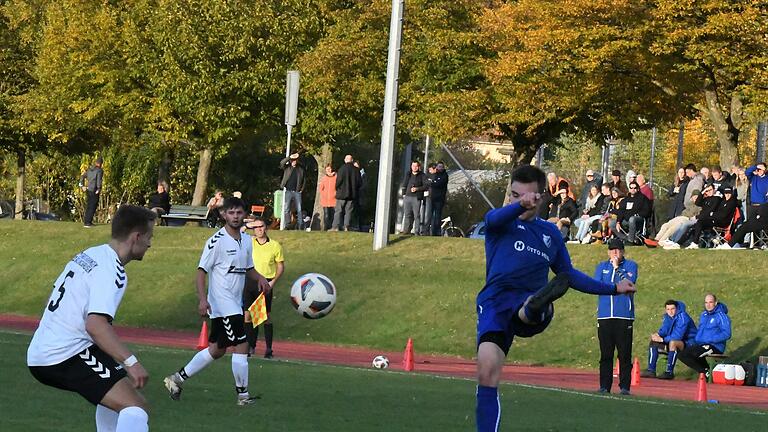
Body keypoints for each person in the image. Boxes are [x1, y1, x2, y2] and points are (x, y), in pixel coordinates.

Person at [475, 165, 636, 432]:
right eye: (515, 196)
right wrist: (517, 206)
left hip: (530, 302)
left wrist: (613, 288)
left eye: (527, 197)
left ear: (540, 198)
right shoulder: (502, 223)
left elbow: (569, 275)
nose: (520, 201)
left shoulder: (549, 234)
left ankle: (534, 306)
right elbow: (491, 219)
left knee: (537, 302)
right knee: (487, 371)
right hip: (495, 303)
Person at [27, 205, 156, 432]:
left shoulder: (90, 254)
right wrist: (132, 363)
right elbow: (95, 325)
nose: (150, 244)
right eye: (149, 237)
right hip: (64, 354)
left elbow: (54, 300)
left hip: (49, 347)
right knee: (136, 409)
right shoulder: (113, 270)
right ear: (136, 237)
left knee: (118, 401)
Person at [163, 197, 271, 406]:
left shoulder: (247, 241)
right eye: (231, 213)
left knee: (217, 350)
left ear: (244, 215)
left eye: (239, 213)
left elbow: (248, 268)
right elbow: (201, 272)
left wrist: (261, 279)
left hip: (234, 302)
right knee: (242, 343)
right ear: (223, 215)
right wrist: (203, 300)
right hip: (222, 303)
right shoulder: (216, 241)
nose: (236, 217)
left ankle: (176, 379)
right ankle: (243, 396)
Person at [594, 238, 639, 395]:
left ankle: (625, 387)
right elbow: (597, 286)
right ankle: (604, 386)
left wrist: (617, 269)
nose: (615, 253)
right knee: (606, 354)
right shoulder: (601, 267)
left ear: (623, 252)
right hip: (605, 316)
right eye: (612, 250)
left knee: (624, 353)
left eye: (618, 250)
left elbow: (629, 284)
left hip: (623, 316)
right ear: (608, 252)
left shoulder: (631, 265)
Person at [243, 217, 285, 358]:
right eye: (256, 227)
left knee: (264, 316)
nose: (259, 229)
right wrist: (249, 224)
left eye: (261, 226)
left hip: (266, 282)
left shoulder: (274, 245)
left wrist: (273, 282)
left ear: (266, 227)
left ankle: (268, 349)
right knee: (248, 315)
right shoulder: (250, 242)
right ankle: (250, 346)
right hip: (250, 281)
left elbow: (280, 266)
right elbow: (239, 231)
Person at [640, 300, 697, 380]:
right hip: (674, 340)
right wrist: (658, 335)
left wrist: (662, 339)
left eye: (672, 309)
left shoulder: (683, 317)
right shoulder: (667, 317)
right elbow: (664, 330)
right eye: (668, 309)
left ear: (676, 308)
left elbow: (678, 336)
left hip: (689, 342)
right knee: (654, 342)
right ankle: (651, 370)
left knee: (673, 343)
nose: (670, 311)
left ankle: (669, 372)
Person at [678, 294, 731, 377]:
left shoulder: (721, 316)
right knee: (682, 354)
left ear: (715, 303)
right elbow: (700, 330)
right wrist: (696, 339)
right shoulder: (704, 315)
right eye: (706, 302)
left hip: (714, 346)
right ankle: (706, 371)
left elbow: (727, 334)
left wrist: (711, 339)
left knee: (692, 354)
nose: (708, 305)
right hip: (701, 344)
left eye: (710, 302)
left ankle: (705, 373)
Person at [331, 155, 361, 231]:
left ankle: (335, 226)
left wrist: (337, 188)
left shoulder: (342, 169)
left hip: (341, 193)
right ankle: (346, 226)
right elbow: (359, 182)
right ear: (352, 160)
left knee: (338, 210)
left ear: (345, 160)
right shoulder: (356, 170)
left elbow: (338, 181)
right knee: (349, 211)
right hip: (352, 194)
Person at [400, 160, 428, 235]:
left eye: (416, 166)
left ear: (419, 167)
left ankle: (416, 231)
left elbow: (426, 186)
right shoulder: (408, 174)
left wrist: (417, 189)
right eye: (413, 166)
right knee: (407, 214)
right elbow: (404, 183)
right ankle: (406, 230)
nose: (414, 168)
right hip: (407, 197)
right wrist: (403, 194)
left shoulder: (422, 175)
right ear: (411, 167)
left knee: (416, 215)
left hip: (416, 198)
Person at [279, 153, 306, 230]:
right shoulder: (287, 168)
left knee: (299, 209)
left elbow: (304, 180)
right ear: (291, 161)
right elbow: (281, 163)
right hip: (288, 191)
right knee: (286, 208)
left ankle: (300, 224)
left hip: (297, 192)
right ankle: (288, 225)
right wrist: (290, 157)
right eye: (293, 160)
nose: (294, 162)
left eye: (295, 160)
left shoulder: (300, 169)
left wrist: (301, 189)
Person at [79, 156, 104, 227]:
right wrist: (99, 189)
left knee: (89, 205)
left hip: (88, 189)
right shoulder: (99, 170)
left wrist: (82, 185)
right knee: (93, 206)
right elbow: (99, 180)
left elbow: (82, 177)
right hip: (94, 190)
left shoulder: (89, 169)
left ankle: (86, 221)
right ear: (100, 164)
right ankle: (88, 223)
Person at [429, 162, 449, 236]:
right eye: (438, 166)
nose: (440, 168)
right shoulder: (434, 175)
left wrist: (433, 182)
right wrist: (433, 182)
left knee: (437, 216)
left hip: (439, 199)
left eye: (441, 167)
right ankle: (430, 232)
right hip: (432, 198)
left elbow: (439, 184)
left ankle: (437, 232)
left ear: (443, 167)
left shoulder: (445, 175)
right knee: (430, 216)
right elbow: (429, 182)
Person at [318, 164, 336, 231]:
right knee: (326, 215)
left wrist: (335, 194)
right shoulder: (324, 178)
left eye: (329, 169)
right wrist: (323, 195)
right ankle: (326, 228)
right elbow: (321, 188)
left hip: (333, 200)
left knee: (333, 215)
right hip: (325, 200)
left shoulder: (336, 177)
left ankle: (332, 228)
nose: (328, 170)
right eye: (327, 169)